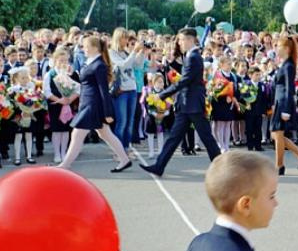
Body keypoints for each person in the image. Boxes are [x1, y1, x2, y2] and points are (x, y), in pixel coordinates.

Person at [140, 28, 221, 177]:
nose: (180, 43)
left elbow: (185, 81)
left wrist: (162, 94)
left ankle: (222, 169)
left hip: (193, 104)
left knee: (207, 138)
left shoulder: (194, 57)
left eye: (182, 40)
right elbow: (186, 76)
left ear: (190, 40)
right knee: (174, 138)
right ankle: (159, 165)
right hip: (186, 105)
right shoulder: (190, 56)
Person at [58, 36, 132, 173]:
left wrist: (108, 112)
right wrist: (71, 74)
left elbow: (103, 90)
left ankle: (65, 164)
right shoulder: (91, 62)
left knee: (77, 134)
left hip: (92, 105)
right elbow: (85, 81)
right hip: (87, 103)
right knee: (105, 134)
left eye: (86, 46)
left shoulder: (99, 65)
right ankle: (124, 159)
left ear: (94, 48)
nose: (83, 49)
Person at [269, 36, 298, 175]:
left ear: (286, 49)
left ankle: (279, 165)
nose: (276, 49)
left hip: (283, 103)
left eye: (278, 46)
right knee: (275, 135)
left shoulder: (289, 66)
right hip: (279, 101)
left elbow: (289, 88)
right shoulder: (284, 64)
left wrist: (286, 109)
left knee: (278, 134)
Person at [108, 28, 146, 152]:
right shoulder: (111, 53)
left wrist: (141, 52)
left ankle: (126, 147)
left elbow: (138, 65)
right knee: (122, 122)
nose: (126, 41)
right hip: (121, 90)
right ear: (118, 38)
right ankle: (118, 150)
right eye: (124, 38)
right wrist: (134, 51)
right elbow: (123, 65)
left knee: (130, 122)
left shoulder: (125, 52)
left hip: (132, 89)